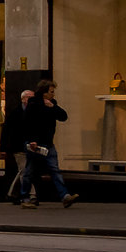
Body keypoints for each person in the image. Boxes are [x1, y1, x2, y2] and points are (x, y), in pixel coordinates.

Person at [15, 80, 79, 209]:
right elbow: (28, 123)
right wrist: (32, 140)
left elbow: (63, 116)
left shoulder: (52, 104)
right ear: (44, 93)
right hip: (35, 144)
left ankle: (64, 195)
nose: (53, 94)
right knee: (29, 171)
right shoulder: (33, 104)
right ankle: (24, 197)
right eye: (51, 92)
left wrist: (53, 107)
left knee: (54, 170)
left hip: (48, 143)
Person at [0, 88, 33, 204]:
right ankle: (31, 195)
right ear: (23, 99)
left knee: (24, 171)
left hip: (30, 146)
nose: (32, 100)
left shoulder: (33, 113)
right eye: (29, 97)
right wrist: (3, 148)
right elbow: (6, 131)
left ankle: (12, 193)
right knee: (24, 170)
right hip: (18, 147)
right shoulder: (15, 113)